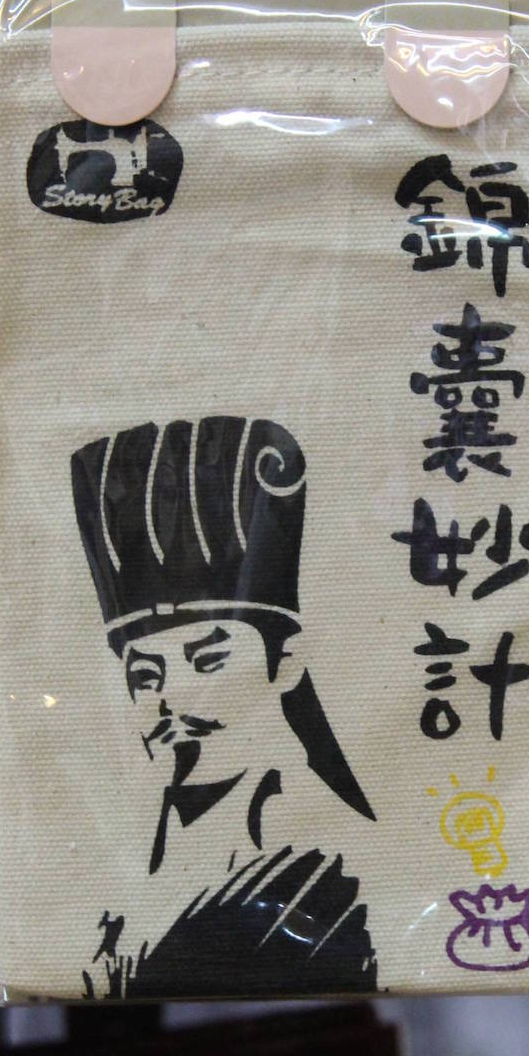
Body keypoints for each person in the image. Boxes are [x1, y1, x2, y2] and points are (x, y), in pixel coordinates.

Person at [68, 416, 379, 999]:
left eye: (209, 662)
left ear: (287, 663)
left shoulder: (324, 857)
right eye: (146, 676)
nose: (172, 700)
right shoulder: (131, 843)